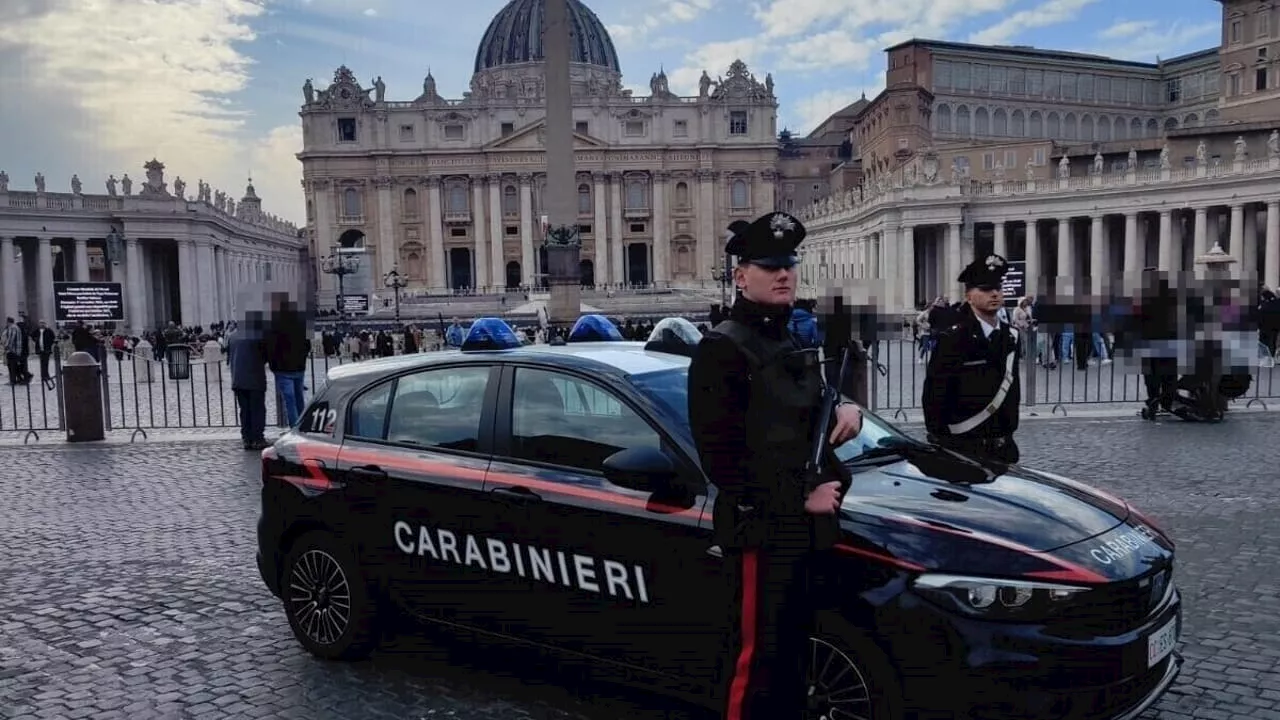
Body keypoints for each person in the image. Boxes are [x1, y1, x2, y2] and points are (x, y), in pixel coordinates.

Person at [688, 211, 864, 720]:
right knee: (755, 665)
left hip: (800, 531)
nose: (784, 274)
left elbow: (800, 415)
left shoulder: (785, 337)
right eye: (769, 266)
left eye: (788, 264)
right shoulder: (723, 348)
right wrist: (800, 497)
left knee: (792, 662)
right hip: (760, 532)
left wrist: (846, 406)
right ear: (742, 276)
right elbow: (722, 461)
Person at [921, 254, 1022, 464]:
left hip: (1002, 447)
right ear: (969, 296)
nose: (994, 294)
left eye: (997, 288)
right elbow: (934, 395)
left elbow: (1013, 390)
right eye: (985, 289)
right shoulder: (953, 337)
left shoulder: (1011, 335)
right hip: (963, 447)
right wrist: (943, 441)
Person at [265, 293, 310, 427]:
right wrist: (301, 360)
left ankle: (295, 429)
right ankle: (303, 427)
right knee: (299, 399)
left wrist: (273, 365)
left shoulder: (274, 324)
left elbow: (271, 347)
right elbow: (307, 345)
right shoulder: (301, 324)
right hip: (299, 367)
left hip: (283, 369)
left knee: (290, 401)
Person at [228, 310, 269, 450]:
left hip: (238, 379)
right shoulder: (257, 336)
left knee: (244, 410)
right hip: (254, 378)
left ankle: (247, 438)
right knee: (257, 409)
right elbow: (265, 355)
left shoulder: (232, 336)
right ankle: (258, 438)